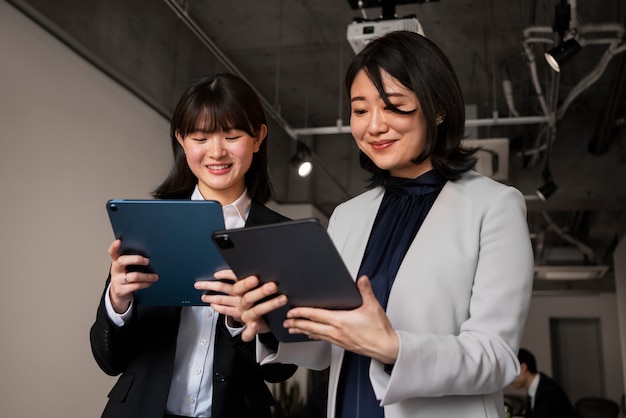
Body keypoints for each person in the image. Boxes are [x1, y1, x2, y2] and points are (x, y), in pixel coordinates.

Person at [207, 31, 535, 418]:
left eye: (394, 106)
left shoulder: (494, 206)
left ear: (438, 109)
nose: (373, 126)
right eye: (360, 111)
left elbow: (496, 358)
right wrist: (271, 323)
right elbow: (327, 344)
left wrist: (394, 347)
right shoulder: (348, 215)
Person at [89, 73, 297, 418]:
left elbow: (280, 371)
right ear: (182, 140)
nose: (216, 152)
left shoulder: (281, 235)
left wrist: (241, 322)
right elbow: (108, 360)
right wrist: (118, 301)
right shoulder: (150, 224)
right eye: (200, 137)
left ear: (258, 137)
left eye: (232, 136)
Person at [512, 348, 578, 418]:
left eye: (511, 371)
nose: (509, 378)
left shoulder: (548, 391)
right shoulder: (538, 387)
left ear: (523, 368)